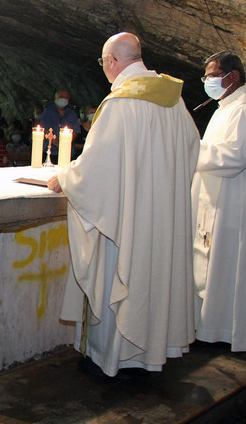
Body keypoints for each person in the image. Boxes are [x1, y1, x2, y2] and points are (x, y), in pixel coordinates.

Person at [47, 32, 199, 378]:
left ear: (112, 61)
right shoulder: (175, 101)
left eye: (103, 63)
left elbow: (96, 168)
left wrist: (66, 178)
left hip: (129, 219)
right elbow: (192, 150)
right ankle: (155, 352)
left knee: (123, 277)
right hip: (161, 216)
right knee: (155, 278)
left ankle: (118, 358)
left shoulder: (119, 104)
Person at [192, 51, 246, 352]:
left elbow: (237, 156)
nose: (208, 82)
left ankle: (225, 331)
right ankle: (208, 327)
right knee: (211, 267)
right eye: (206, 77)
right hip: (215, 202)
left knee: (229, 269)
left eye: (213, 76)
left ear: (233, 77)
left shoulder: (245, 109)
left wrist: (192, 150)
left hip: (234, 206)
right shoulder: (224, 107)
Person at [40, 89, 81, 162]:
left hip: (68, 152)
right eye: (61, 96)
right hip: (50, 152)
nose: (63, 99)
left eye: (66, 97)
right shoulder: (47, 112)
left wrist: (65, 143)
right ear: (55, 98)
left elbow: (75, 131)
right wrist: (58, 144)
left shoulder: (72, 114)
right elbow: (44, 130)